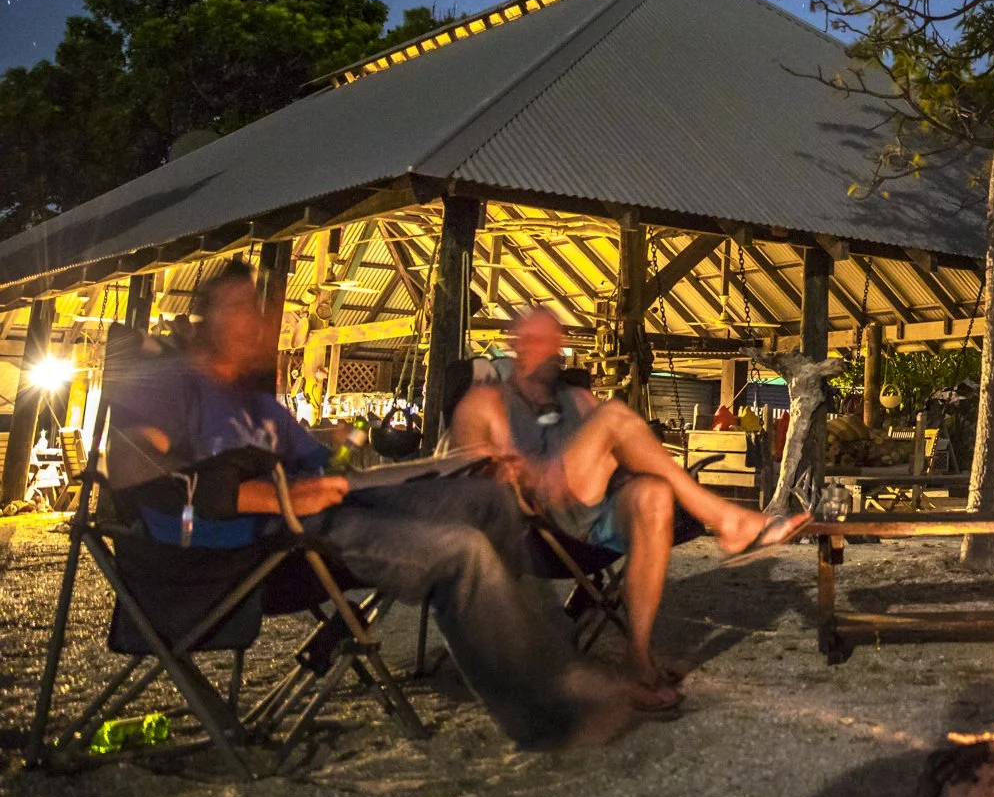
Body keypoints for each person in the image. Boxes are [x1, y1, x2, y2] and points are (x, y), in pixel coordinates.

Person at [103, 261, 631, 750]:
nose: (257, 320)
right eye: (240, 307)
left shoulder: (258, 405)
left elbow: (338, 475)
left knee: (488, 498)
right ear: (206, 319)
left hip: (316, 519)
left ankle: (553, 660)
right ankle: (548, 715)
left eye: (258, 308)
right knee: (460, 551)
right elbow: (134, 471)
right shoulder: (170, 384)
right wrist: (279, 496)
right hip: (243, 553)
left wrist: (432, 464)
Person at [447, 307, 809, 708]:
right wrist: (514, 471)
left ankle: (637, 660)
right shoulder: (484, 404)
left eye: (553, 342)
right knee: (615, 417)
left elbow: (616, 458)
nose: (548, 351)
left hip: (591, 523)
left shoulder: (577, 398)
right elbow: (468, 478)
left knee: (653, 494)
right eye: (536, 341)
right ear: (516, 346)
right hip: (534, 526)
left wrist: (629, 466)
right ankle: (726, 518)